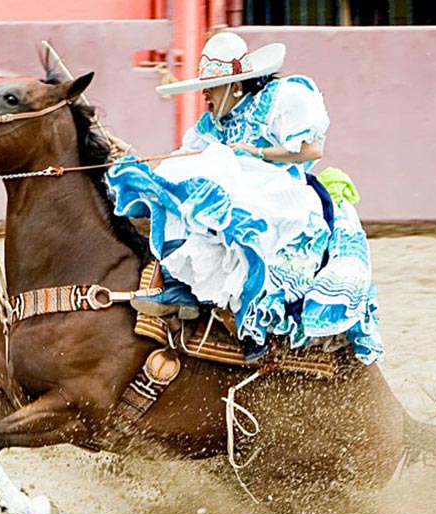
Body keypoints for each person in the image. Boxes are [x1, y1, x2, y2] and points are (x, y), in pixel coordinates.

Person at [106, 33, 382, 365]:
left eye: (212, 87)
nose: (204, 95)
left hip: (283, 193)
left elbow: (312, 150)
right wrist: (133, 158)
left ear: (236, 86)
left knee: (219, 181)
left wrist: (256, 153)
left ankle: (251, 321)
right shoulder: (211, 126)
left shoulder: (284, 97)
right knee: (182, 184)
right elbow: (181, 161)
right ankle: (184, 288)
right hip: (238, 188)